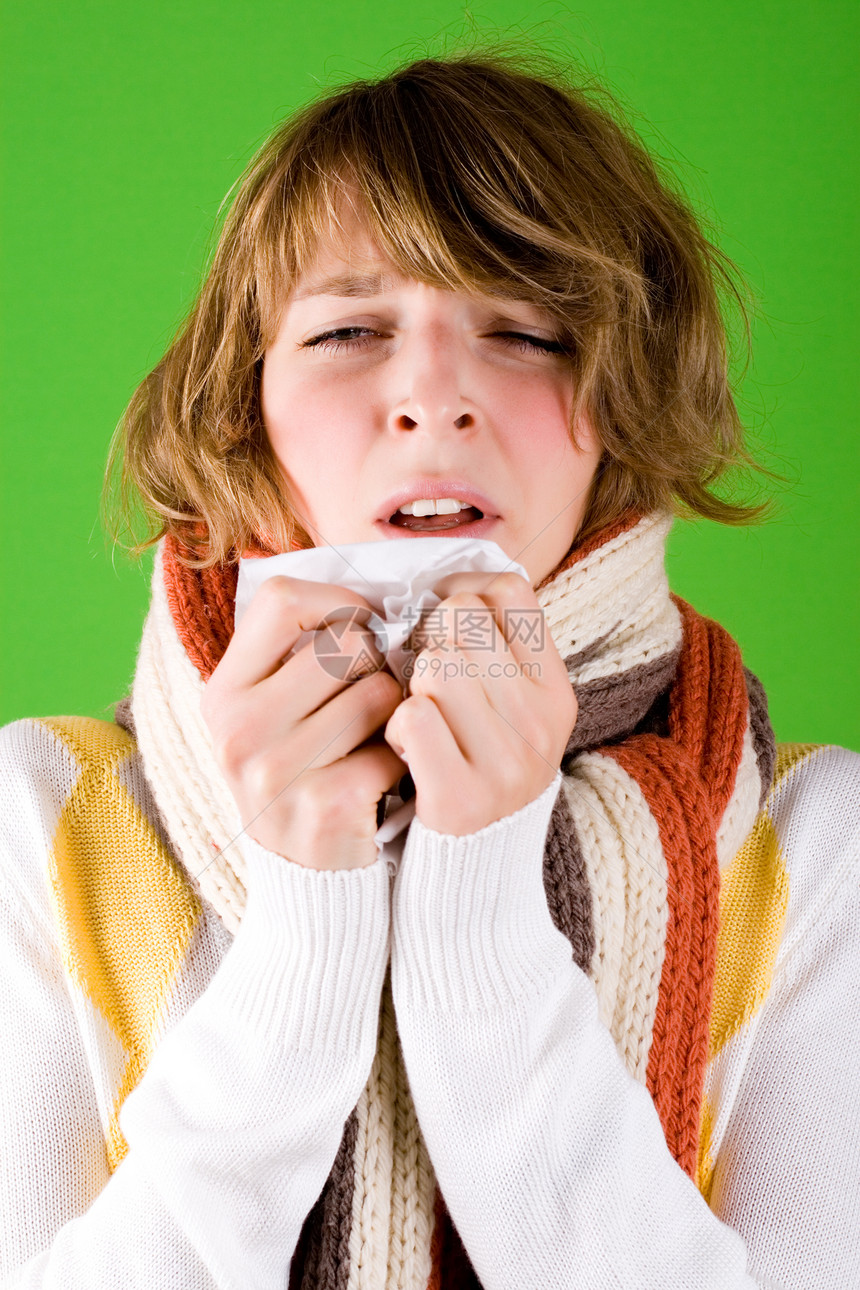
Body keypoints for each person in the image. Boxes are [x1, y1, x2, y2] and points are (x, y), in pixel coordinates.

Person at [0, 50, 857, 1290]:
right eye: (349, 329)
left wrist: (480, 914)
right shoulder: (40, 821)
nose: (431, 395)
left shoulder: (810, 847)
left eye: (521, 332)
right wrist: (307, 930)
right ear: (248, 406)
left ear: (617, 409)